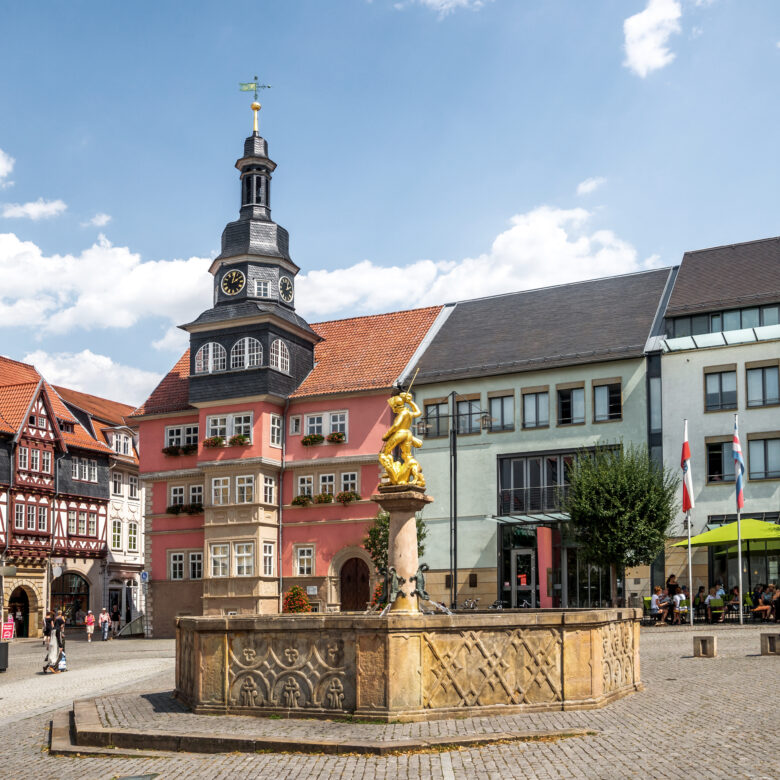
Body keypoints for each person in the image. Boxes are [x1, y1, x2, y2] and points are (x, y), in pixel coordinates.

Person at [43, 609, 66, 673]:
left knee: (51, 656)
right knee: (59, 656)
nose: (62, 626)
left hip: (51, 644)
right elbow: (58, 638)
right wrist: (61, 646)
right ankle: (53, 668)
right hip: (55, 644)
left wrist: (48, 645)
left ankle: (45, 667)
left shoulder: (53, 629)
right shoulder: (58, 629)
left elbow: (50, 637)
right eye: (62, 624)